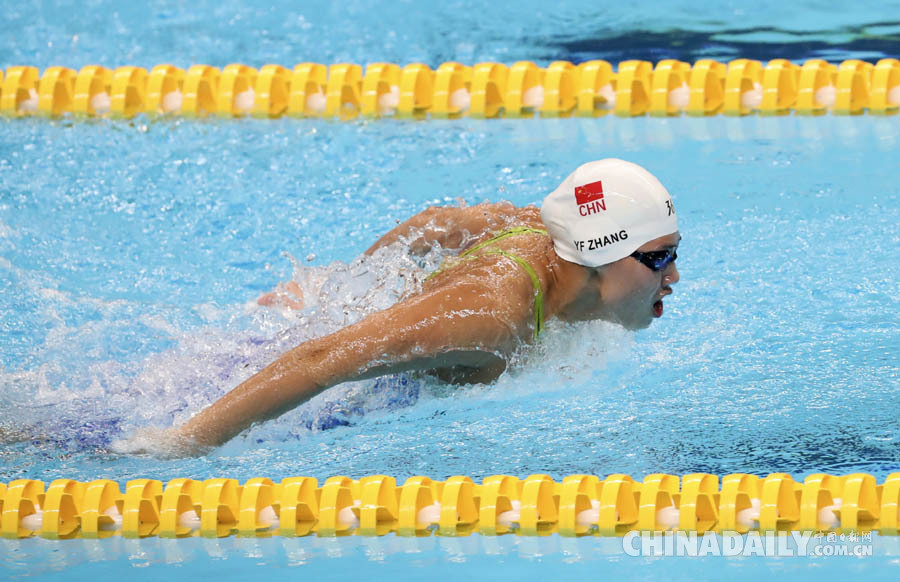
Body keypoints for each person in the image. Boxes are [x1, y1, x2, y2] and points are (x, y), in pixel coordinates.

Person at [164, 158, 681, 453]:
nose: (674, 277)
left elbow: (438, 221)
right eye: (659, 258)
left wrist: (337, 288)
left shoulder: (539, 230)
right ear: (597, 260)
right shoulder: (490, 317)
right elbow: (321, 363)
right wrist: (182, 446)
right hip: (269, 400)